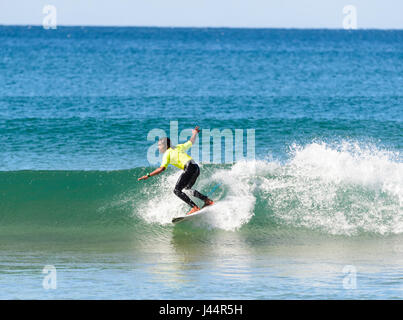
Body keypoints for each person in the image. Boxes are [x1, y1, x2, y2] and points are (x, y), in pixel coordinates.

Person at [138, 126, 214, 215]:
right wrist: (195, 133)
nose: (158, 147)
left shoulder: (167, 153)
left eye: (159, 145)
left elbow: (161, 168)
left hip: (189, 167)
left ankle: (195, 207)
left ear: (165, 145)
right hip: (196, 168)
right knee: (187, 189)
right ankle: (207, 200)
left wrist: (148, 175)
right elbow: (191, 142)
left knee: (177, 190)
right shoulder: (178, 147)